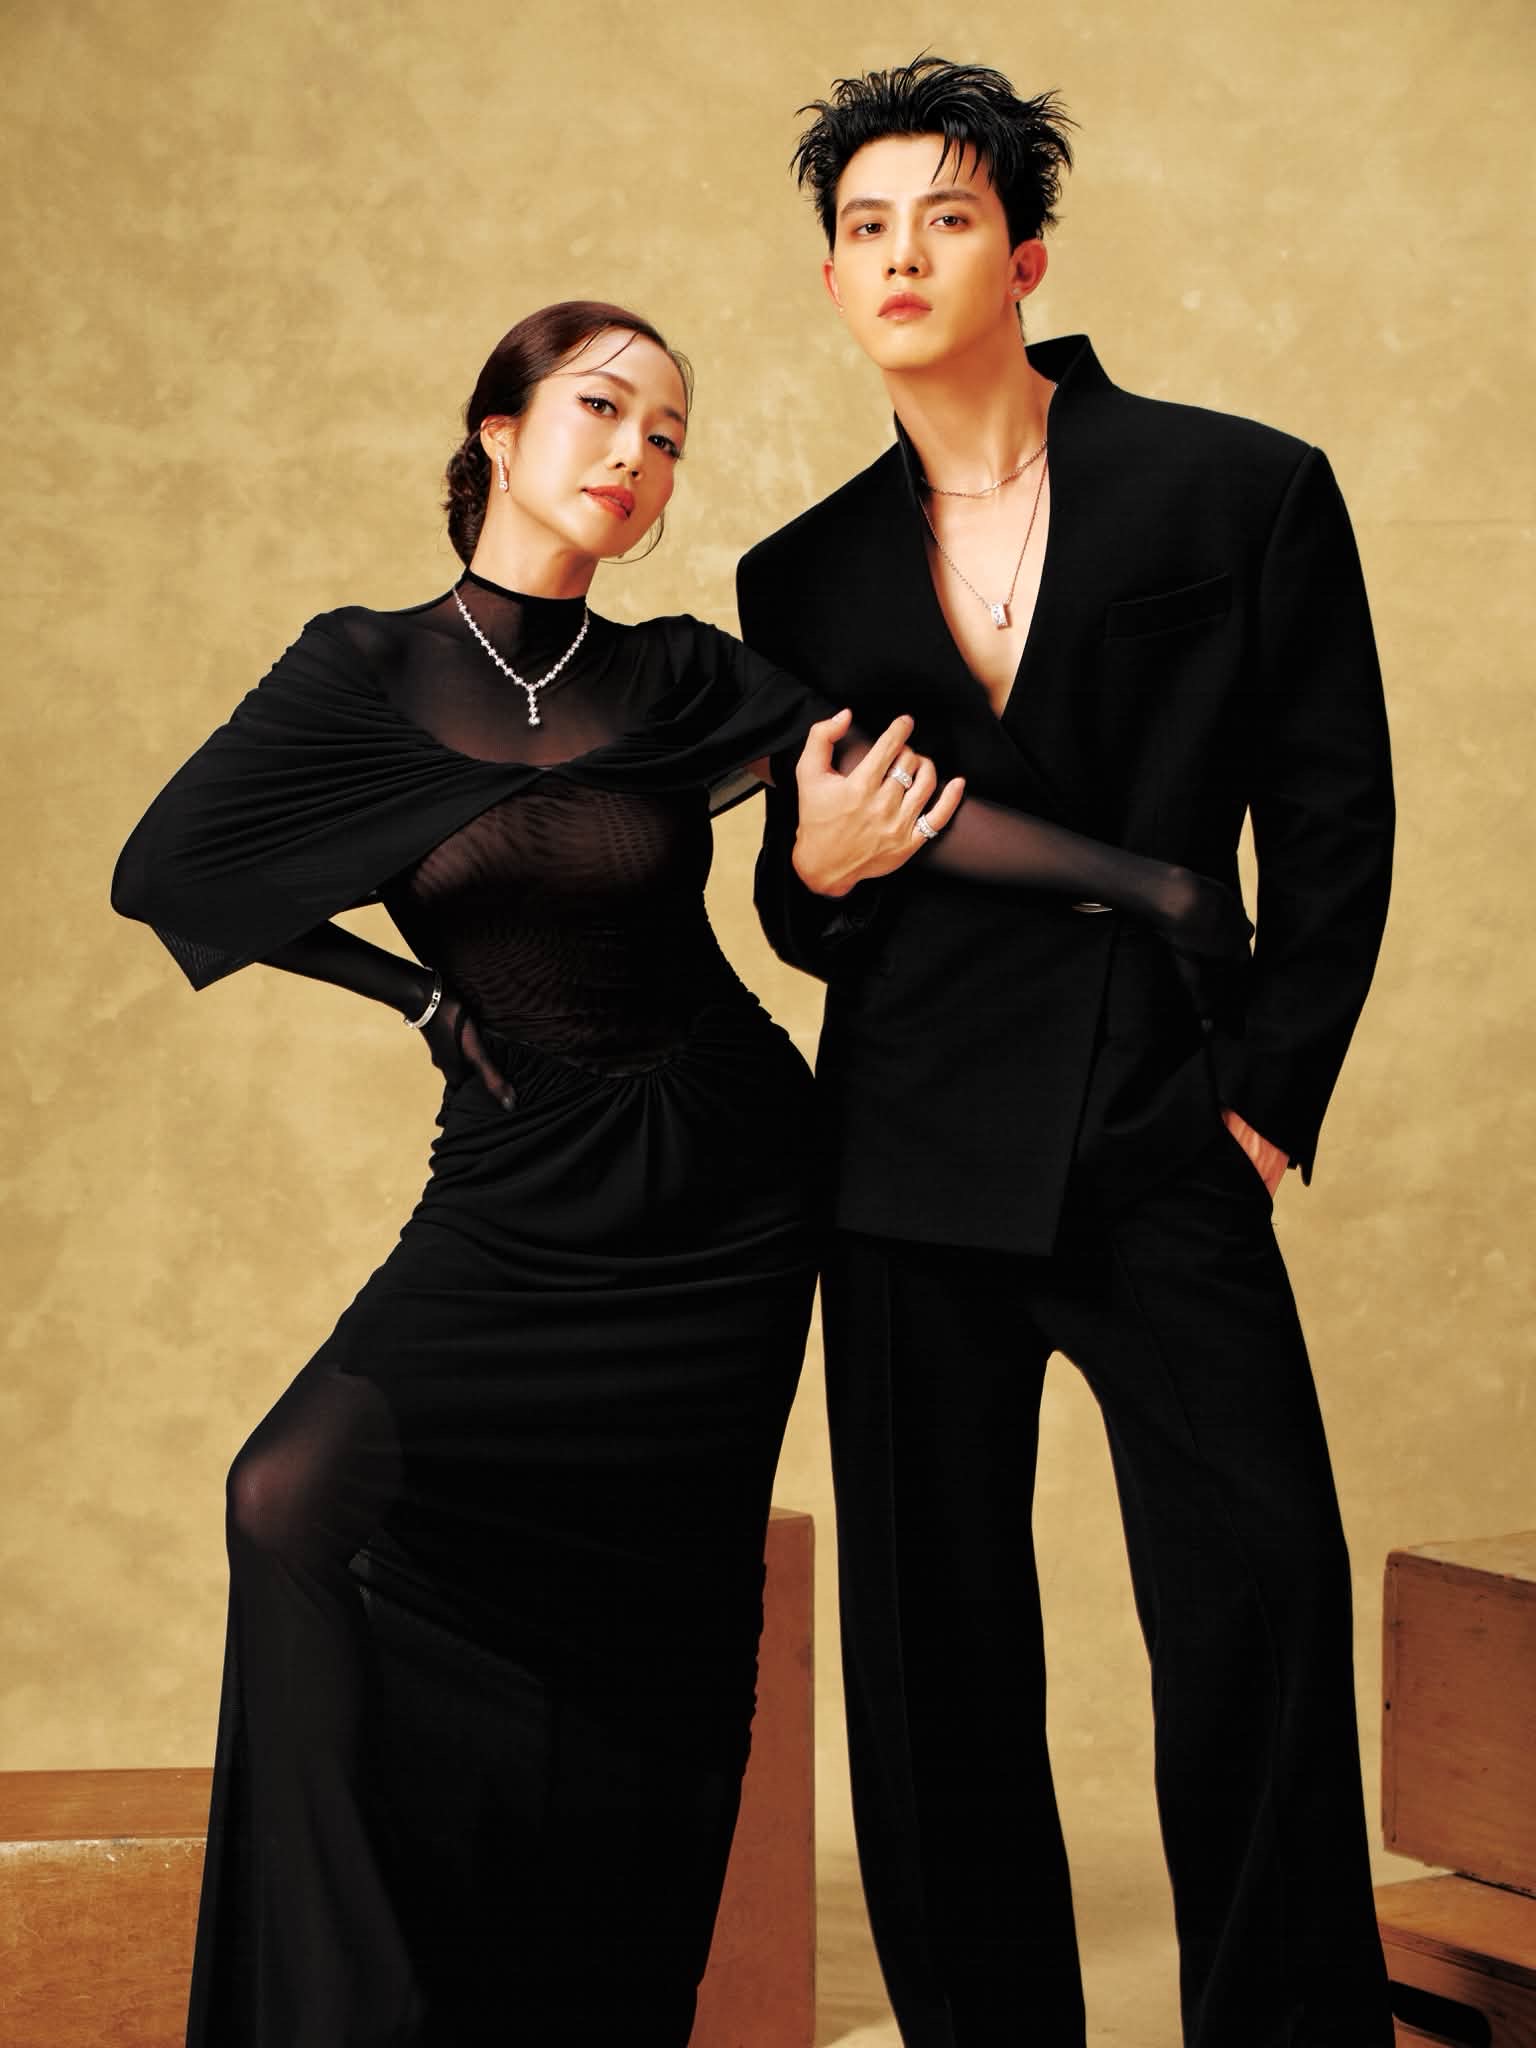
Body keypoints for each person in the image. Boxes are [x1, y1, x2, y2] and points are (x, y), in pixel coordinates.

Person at [112, 298, 1249, 2048]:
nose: (635, 455)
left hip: (731, 1192)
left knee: (663, 1630)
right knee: (290, 1497)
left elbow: (898, 801)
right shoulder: (361, 669)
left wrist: (1153, 885)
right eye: (600, 408)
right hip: (522, 1184)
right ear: (498, 430)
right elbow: (168, 869)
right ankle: (362, 2013)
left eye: (667, 438)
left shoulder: (680, 676)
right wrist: (412, 991)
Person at [740, 59, 1396, 2048]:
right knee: (932, 1644)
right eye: (864, 229)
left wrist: (1264, 1094)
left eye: (944, 217)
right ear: (833, 280)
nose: (901, 256)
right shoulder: (801, 576)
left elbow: (1335, 815)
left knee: (1258, 1594)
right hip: (908, 1147)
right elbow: (804, 908)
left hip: (1161, 1119)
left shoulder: (1240, 486)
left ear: (1021, 255)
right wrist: (814, 874)